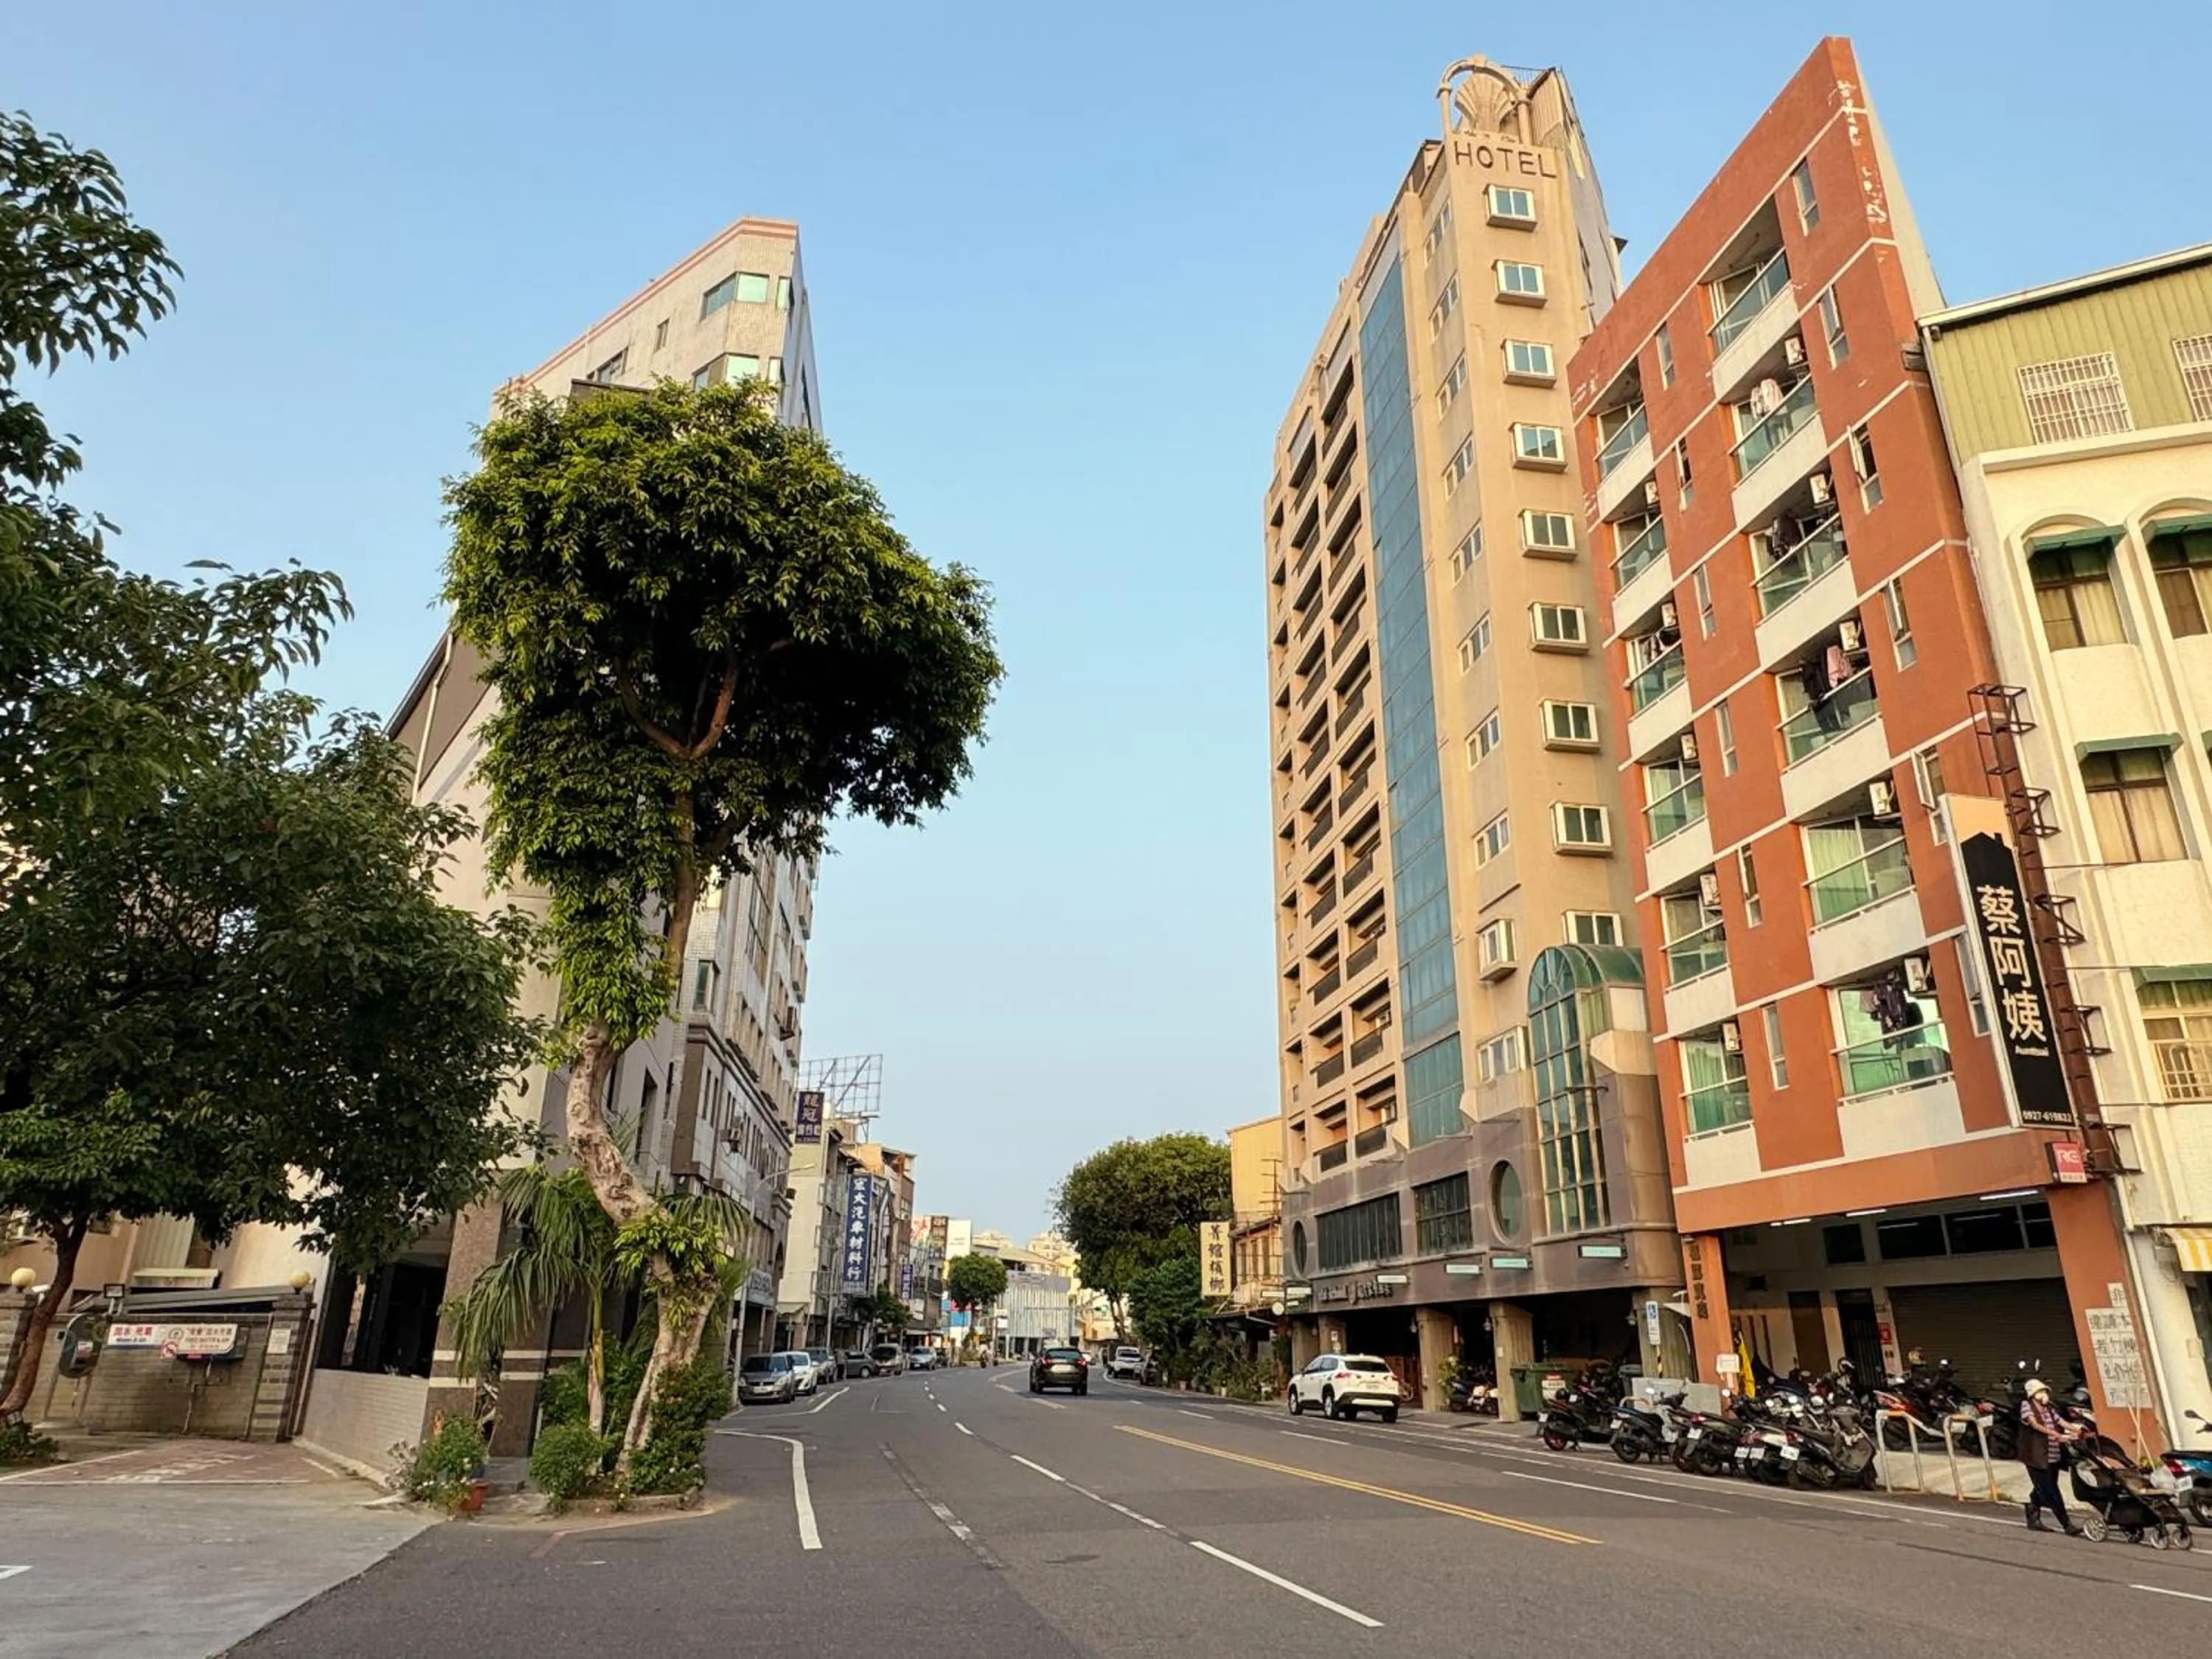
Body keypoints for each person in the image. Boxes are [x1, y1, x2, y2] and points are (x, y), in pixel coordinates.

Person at [2017, 1376, 2082, 1535]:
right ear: (2033, 1394)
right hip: (2036, 1457)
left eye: (2045, 1391)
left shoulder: (2049, 1408)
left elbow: (2061, 1422)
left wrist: (2077, 1430)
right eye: (2041, 1391)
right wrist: (2056, 1434)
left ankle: (2033, 1515)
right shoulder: (2027, 1406)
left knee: (2043, 1487)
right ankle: (2067, 1524)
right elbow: (2034, 1424)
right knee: (2051, 1491)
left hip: (2053, 1456)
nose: (2044, 1394)